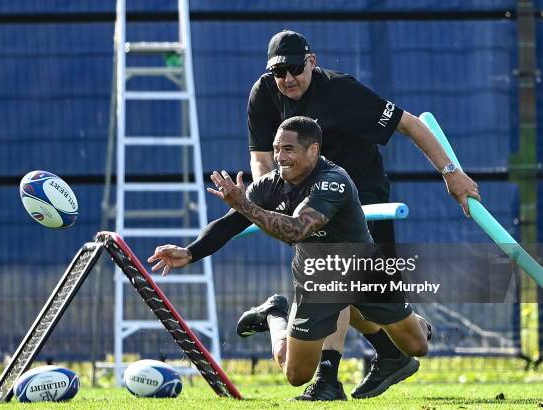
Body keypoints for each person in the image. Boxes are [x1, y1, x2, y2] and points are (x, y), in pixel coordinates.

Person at [244, 30, 480, 400]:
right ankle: (385, 353)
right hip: (312, 204)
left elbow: (411, 124)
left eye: (294, 69)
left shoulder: (341, 92)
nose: (288, 79)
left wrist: (452, 174)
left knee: (343, 282)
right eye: (279, 72)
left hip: (363, 198)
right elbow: (260, 158)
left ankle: (333, 375)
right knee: (350, 289)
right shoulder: (264, 94)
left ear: (312, 62)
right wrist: (267, 199)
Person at [147, 116, 430, 397]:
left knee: (418, 347)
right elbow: (229, 224)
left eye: (288, 149)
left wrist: (245, 205)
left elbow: (296, 230)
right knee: (296, 375)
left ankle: (397, 318)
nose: (279, 157)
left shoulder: (333, 182)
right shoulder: (268, 186)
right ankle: (275, 314)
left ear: (313, 150)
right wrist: (190, 252)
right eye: (276, 149)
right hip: (316, 279)